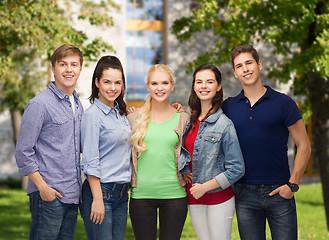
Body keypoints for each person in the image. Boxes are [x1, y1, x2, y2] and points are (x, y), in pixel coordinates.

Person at [222, 44, 311, 240]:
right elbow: (202, 116)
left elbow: (304, 145)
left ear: (259, 64)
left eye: (249, 63)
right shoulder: (228, 106)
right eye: (239, 66)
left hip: (280, 192)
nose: (245, 69)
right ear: (235, 73)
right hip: (243, 194)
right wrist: (178, 109)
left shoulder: (284, 103)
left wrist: (292, 185)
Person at [15, 44, 84, 240]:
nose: (69, 69)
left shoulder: (77, 105)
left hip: (72, 196)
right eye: (63, 64)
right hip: (48, 196)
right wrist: (43, 188)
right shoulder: (39, 104)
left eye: (74, 64)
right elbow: (23, 151)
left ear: (80, 69)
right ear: (53, 69)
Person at [178, 64, 245, 240]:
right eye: (199, 82)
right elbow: (184, 152)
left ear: (218, 86)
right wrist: (184, 171)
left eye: (209, 82)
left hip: (218, 198)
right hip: (194, 197)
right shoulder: (189, 121)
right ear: (194, 86)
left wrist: (205, 187)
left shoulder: (224, 124)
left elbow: (237, 168)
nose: (204, 86)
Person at [128, 64, 189, 240]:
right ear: (147, 86)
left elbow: (191, 150)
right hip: (141, 196)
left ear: (172, 86)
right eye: (154, 83)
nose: (160, 88)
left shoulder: (183, 118)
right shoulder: (134, 118)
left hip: (174, 196)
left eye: (164, 83)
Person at [79, 55, 131, 240]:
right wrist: (98, 199)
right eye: (107, 82)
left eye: (118, 82)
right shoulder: (93, 115)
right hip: (101, 192)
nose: (113, 88)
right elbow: (90, 160)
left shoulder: (121, 113)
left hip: (122, 194)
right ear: (97, 83)